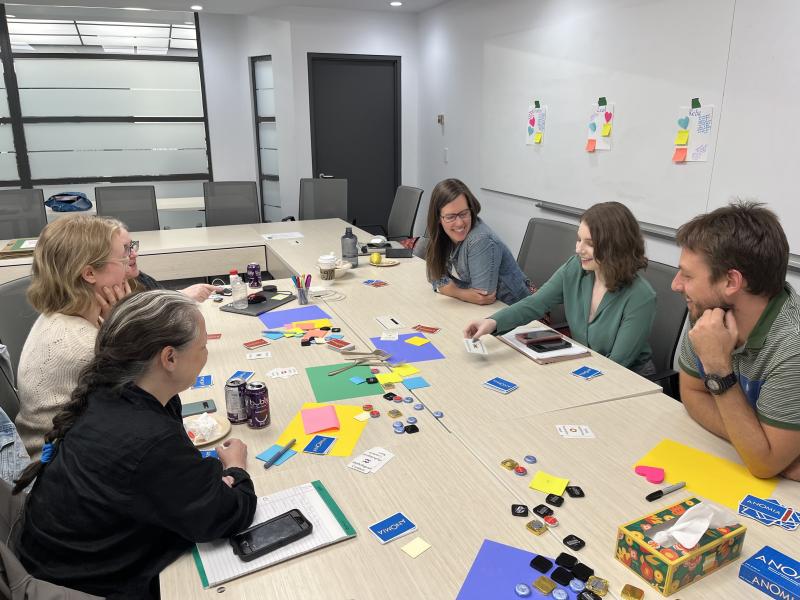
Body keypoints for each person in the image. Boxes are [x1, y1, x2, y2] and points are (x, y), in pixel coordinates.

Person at [13, 290, 257, 598]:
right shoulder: (148, 437)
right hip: (90, 587)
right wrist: (235, 469)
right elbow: (224, 516)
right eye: (203, 347)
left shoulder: (113, 393)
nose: (206, 354)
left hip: (59, 562)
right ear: (169, 358)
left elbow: (172, 481)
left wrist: (198, 484)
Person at [672, 201, 800, 480]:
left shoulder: (793, 346)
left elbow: (763, 466)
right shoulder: (708, 313)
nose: (676, 285)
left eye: (688, 275)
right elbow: (692, 395)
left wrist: (718, 368)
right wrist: (754, 443)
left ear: (731, 282)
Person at [464, 202, 656, 375]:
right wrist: (492, 322)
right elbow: (536, 303)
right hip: (587, 366)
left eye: (589, 243)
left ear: (615, 246)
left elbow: (617, 365)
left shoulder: (640, 296)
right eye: (579, 239)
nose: (578, 249)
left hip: (629, 380)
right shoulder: (576, 267)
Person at [16, 216, 131, 460]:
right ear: (89, 273)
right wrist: (123, 326)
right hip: (67, 472)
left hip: (75, 457)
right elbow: (146, 403)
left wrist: (113, 324)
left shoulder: (59, 317)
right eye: (122, 257)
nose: (128, 265)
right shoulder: (80, 344)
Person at [424, 178, 531, 305]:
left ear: (471, 210)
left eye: (464, 213)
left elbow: (482, 297)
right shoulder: (441, 234)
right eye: (450, 217)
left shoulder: (480, 240)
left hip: (518, 314)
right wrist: (459, 292)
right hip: (486, 313)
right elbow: (434, 277)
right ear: (438, 218)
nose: (459, 223)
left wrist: (450, 288)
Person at [119, 227, 221, 302]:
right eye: (125, 249)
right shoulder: (111, 301)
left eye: (132, 246)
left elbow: (160, 296)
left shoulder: (138, 278)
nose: (135, 254)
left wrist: (180, 294)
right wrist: (182, 295)